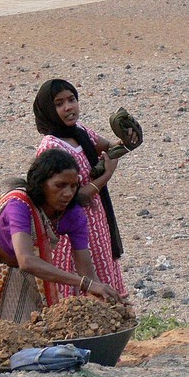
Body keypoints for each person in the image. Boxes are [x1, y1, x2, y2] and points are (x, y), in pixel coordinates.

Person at [0, 149, 123, 331]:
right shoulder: (20, 206)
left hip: (30, 278)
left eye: (73, 186)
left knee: (23, 338)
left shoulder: (73, 214)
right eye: (59, 185)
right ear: (41, 184)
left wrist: (102, 296)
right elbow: (26, 260)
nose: (68, 193)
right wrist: (85, 283)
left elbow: (85, 269)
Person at [34, 79, 130, 297]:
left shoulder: (81, 132)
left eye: (71, 99)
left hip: (97, 224)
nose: (68, 107)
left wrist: (128, 141)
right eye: (59, 103)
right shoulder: (52, 146)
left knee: (104, 273)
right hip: (72, 228)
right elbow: (74, 197)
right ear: (48, 110)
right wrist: (106, 175)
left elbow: (110, 148)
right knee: (80, 285)